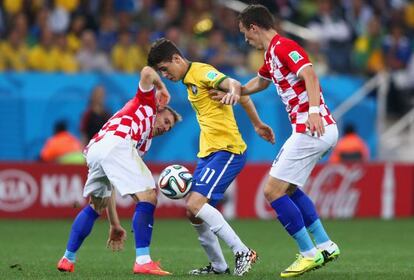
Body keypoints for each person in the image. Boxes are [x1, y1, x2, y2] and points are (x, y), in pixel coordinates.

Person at [218, 4, 340, 278]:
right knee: (289, 189)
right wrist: (235, 91)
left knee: (272, 191)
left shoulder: (283, 46)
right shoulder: (271, 55)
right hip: (315, 130)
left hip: (312, 127)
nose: (245, 40)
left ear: (254, 27)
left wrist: (312, 111)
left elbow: (309, 73)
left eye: (245, 34)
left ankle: (309, 254)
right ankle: (325, 244)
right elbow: (260, 83)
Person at [147, 38, 275, 276]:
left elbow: (235, 84)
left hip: (227, 150)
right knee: (193, 213)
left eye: (164, 69)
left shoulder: (202, 72)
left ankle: (243, 251)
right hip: (209, 153)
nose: (164, 75)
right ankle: (218, 266)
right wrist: (257, 124)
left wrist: (233, 90)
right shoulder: (190, 82)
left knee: (195, 204)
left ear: (176, 58)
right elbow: (243, 96)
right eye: (160, 72)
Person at [57, 66, 182, 276]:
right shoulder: (148, 103)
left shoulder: (144, 144)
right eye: (166, 121)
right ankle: (143, 260)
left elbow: (112, 183)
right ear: (158, 110)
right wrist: (162, 87)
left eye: (170, 128)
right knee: (149, 196)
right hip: (115, 143)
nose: (166, 128)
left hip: (96, 150)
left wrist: (115, 224)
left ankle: (67, 258)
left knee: (96, 205)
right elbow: (146, 71)